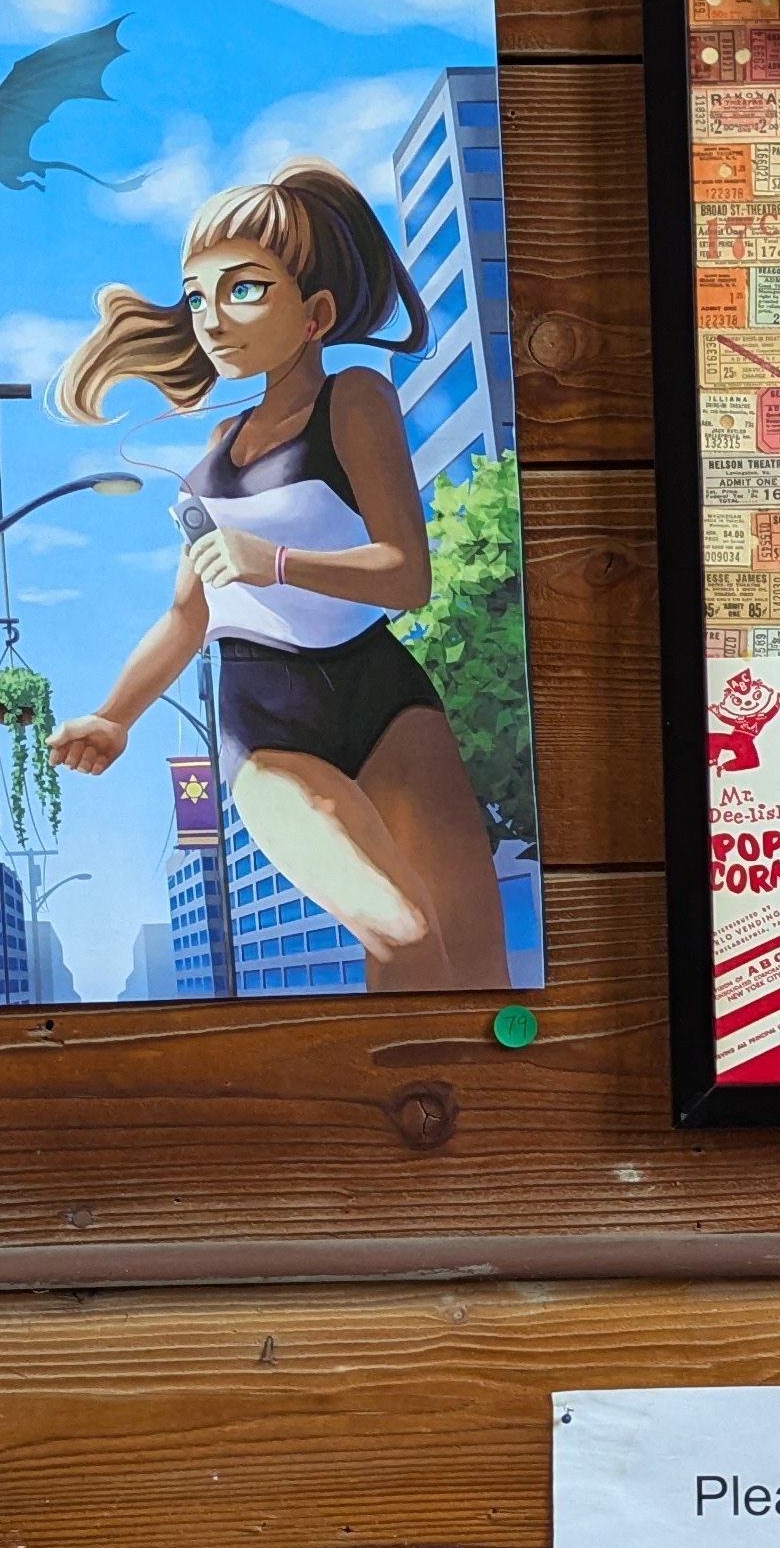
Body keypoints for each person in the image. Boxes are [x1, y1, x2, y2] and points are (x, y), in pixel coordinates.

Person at [46, 160, 509, 991]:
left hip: (386, 695)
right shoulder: (210, 458)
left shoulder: (354, 400)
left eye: (244, 289)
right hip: (266, 722)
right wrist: (114, 717)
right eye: (197, 297)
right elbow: (187, 617)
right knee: (401, 933)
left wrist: (277, 563)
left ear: (315, 313)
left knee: (474, 965)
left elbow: (406, 578)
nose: (212, 319)